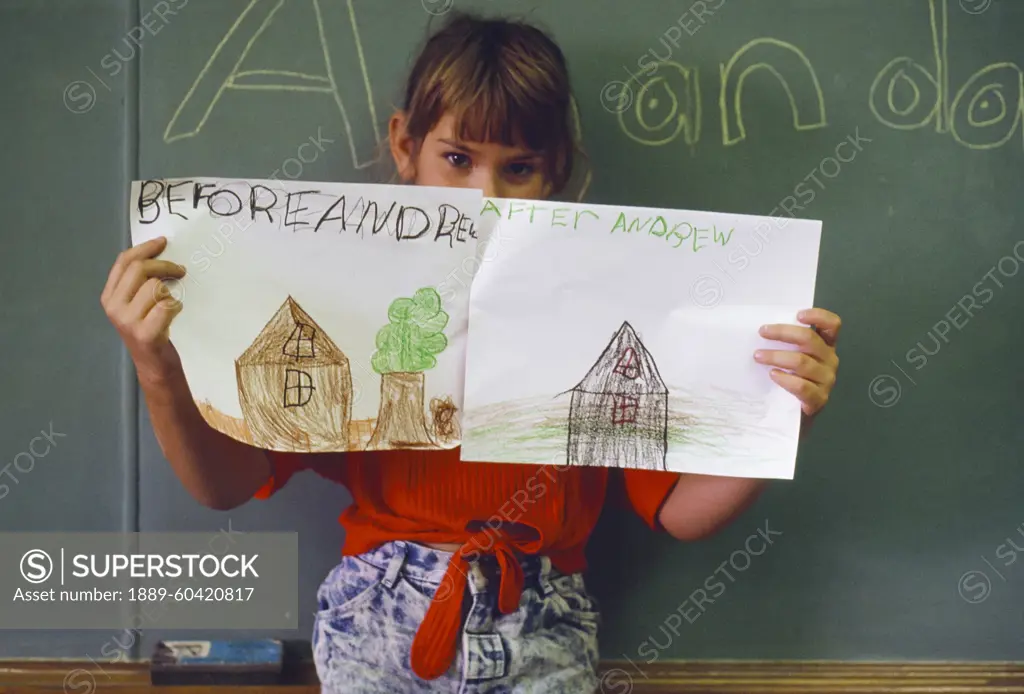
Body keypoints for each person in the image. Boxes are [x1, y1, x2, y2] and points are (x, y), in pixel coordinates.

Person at [101, 11, 841, 694]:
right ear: (404, 146)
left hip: (540, 618)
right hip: (379, 612)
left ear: (554, 171)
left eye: (517, 169)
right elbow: (226, 485)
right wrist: (157, 366)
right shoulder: (338, 291)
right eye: (457, 158)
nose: (484, 195)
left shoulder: (605, 307)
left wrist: (776, 416)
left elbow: (681, 513)